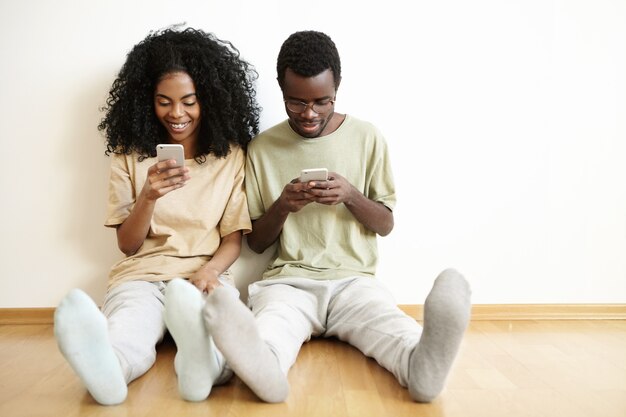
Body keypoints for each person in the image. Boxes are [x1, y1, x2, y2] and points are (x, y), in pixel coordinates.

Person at [201, 30, 472, 404]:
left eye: (322, 101)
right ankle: (265, 373)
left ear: (338, 88)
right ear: (280, 89)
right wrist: (283, 205)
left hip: (354, 281)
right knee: (272, 330)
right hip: (289, 283)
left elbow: (386, 224)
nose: (309, 114)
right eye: (295, 102)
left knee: (390, 328)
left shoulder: (367, 137)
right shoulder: (262, 148)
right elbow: (256, 242)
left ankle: (420, 367)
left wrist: (350, 195)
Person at [53, 27, 260, 405]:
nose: (176, 114)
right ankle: (110, 372)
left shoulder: (230, 155)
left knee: (221, 335)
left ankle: (200, 366)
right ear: (146, 100)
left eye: (189, 101)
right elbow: (128, 245)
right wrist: (148, 196)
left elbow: (233, 239)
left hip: (202, 275)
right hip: (142, 275)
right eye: (164, 101)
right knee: (129, 332)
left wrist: (210, 272)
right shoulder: (128, 153)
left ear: (209, 100)